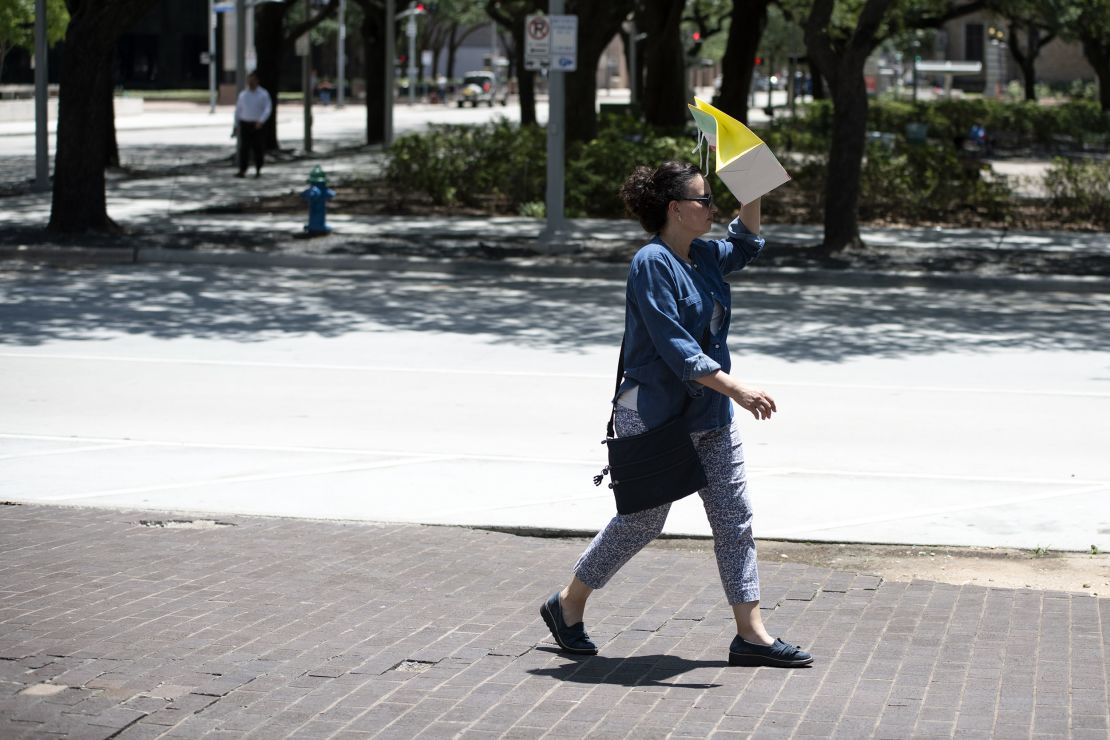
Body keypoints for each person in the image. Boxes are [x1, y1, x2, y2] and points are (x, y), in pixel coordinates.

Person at [539, 160, 813, 669]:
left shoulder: (705, 255)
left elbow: (747, 242)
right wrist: (736, 388)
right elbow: (674, 344)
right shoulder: (652, 262)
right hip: (656, 413)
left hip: (709, 410)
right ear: (675, 208)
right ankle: (568, 602)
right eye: (704, 200)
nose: (712, 207)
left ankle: (750, 636)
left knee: (734, 521)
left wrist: (751, 184)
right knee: (642, 522)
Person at [234, 72, 272, 178]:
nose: (250, 82)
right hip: (245, 123)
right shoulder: (243, 94)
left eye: (253, 80)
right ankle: (242, 170)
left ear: (257, 81)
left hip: (257, 124)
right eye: (249, 80)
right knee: (244, 148)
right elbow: (238, 110)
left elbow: (267, 109)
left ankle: (258, 169)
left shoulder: (263, 94)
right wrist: (236, 124)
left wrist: (261, 121)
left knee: (258, 147)